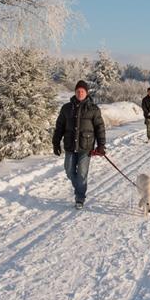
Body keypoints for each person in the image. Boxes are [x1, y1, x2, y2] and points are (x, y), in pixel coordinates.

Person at [53, 80, 106, 209]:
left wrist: (101, 145)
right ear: (75, 92)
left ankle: (79, 198)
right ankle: (80, 188)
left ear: (86, 93)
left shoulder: (93, 109)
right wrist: (56, 143)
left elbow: (100, 127)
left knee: (82, 174)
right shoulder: (66, 108)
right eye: (78, 91)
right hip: (70, 146)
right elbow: (59, 126)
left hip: (86, 147)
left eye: (82, 91)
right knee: (69, 171)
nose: (80, 93)